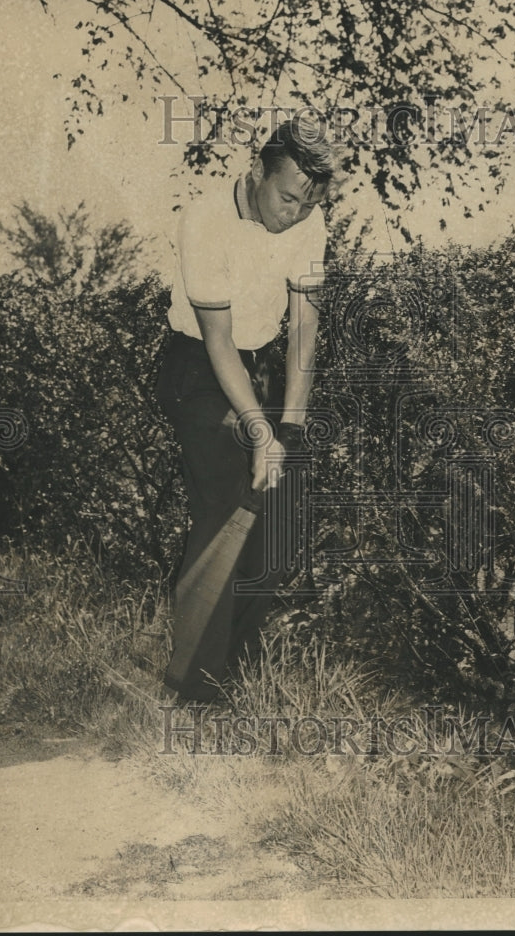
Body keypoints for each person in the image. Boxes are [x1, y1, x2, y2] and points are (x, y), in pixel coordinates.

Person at [156, 114, 334, 701]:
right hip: (201, 370)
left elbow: (305, 329)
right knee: (229, 491)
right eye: (286, 199)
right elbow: (216, 341)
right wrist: (260, 433)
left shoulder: (310, 221)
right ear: (257, 171)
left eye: (306, 206)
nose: (293, 215)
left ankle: (229, 673)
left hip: (258, 364)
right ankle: (193, 688)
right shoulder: (205, 219)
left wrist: (291, 430)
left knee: (281, 510)